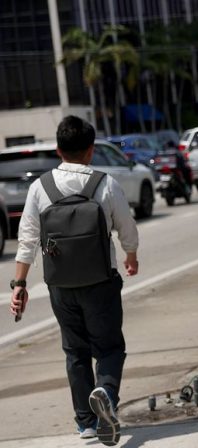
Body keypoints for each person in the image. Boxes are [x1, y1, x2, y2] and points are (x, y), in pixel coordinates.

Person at [8, 116, 139, 446]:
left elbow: (26, 239)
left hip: (60, 286)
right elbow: (127, 227)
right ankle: (106, 392)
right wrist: (131, 255)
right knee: (109, 347)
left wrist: (20, 286)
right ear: (91, 150)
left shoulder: (41, 187)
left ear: (58, 150)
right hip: (101, 281)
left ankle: (86, 424)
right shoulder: (104, 183)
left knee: (75, 351)